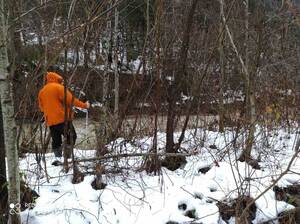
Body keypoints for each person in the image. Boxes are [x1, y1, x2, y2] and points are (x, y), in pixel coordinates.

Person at [38, 72, 90, 165]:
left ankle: (58, 158)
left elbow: (42, 108)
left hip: (50, 120)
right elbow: (71, 100)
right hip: (62, 118)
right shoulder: (59, 88)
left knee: (56, 140)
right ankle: (67, 158)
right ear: (57, 79)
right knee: (72, 137)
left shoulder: (42, 91)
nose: (62, 82)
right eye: (60, 81)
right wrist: (85, 105)